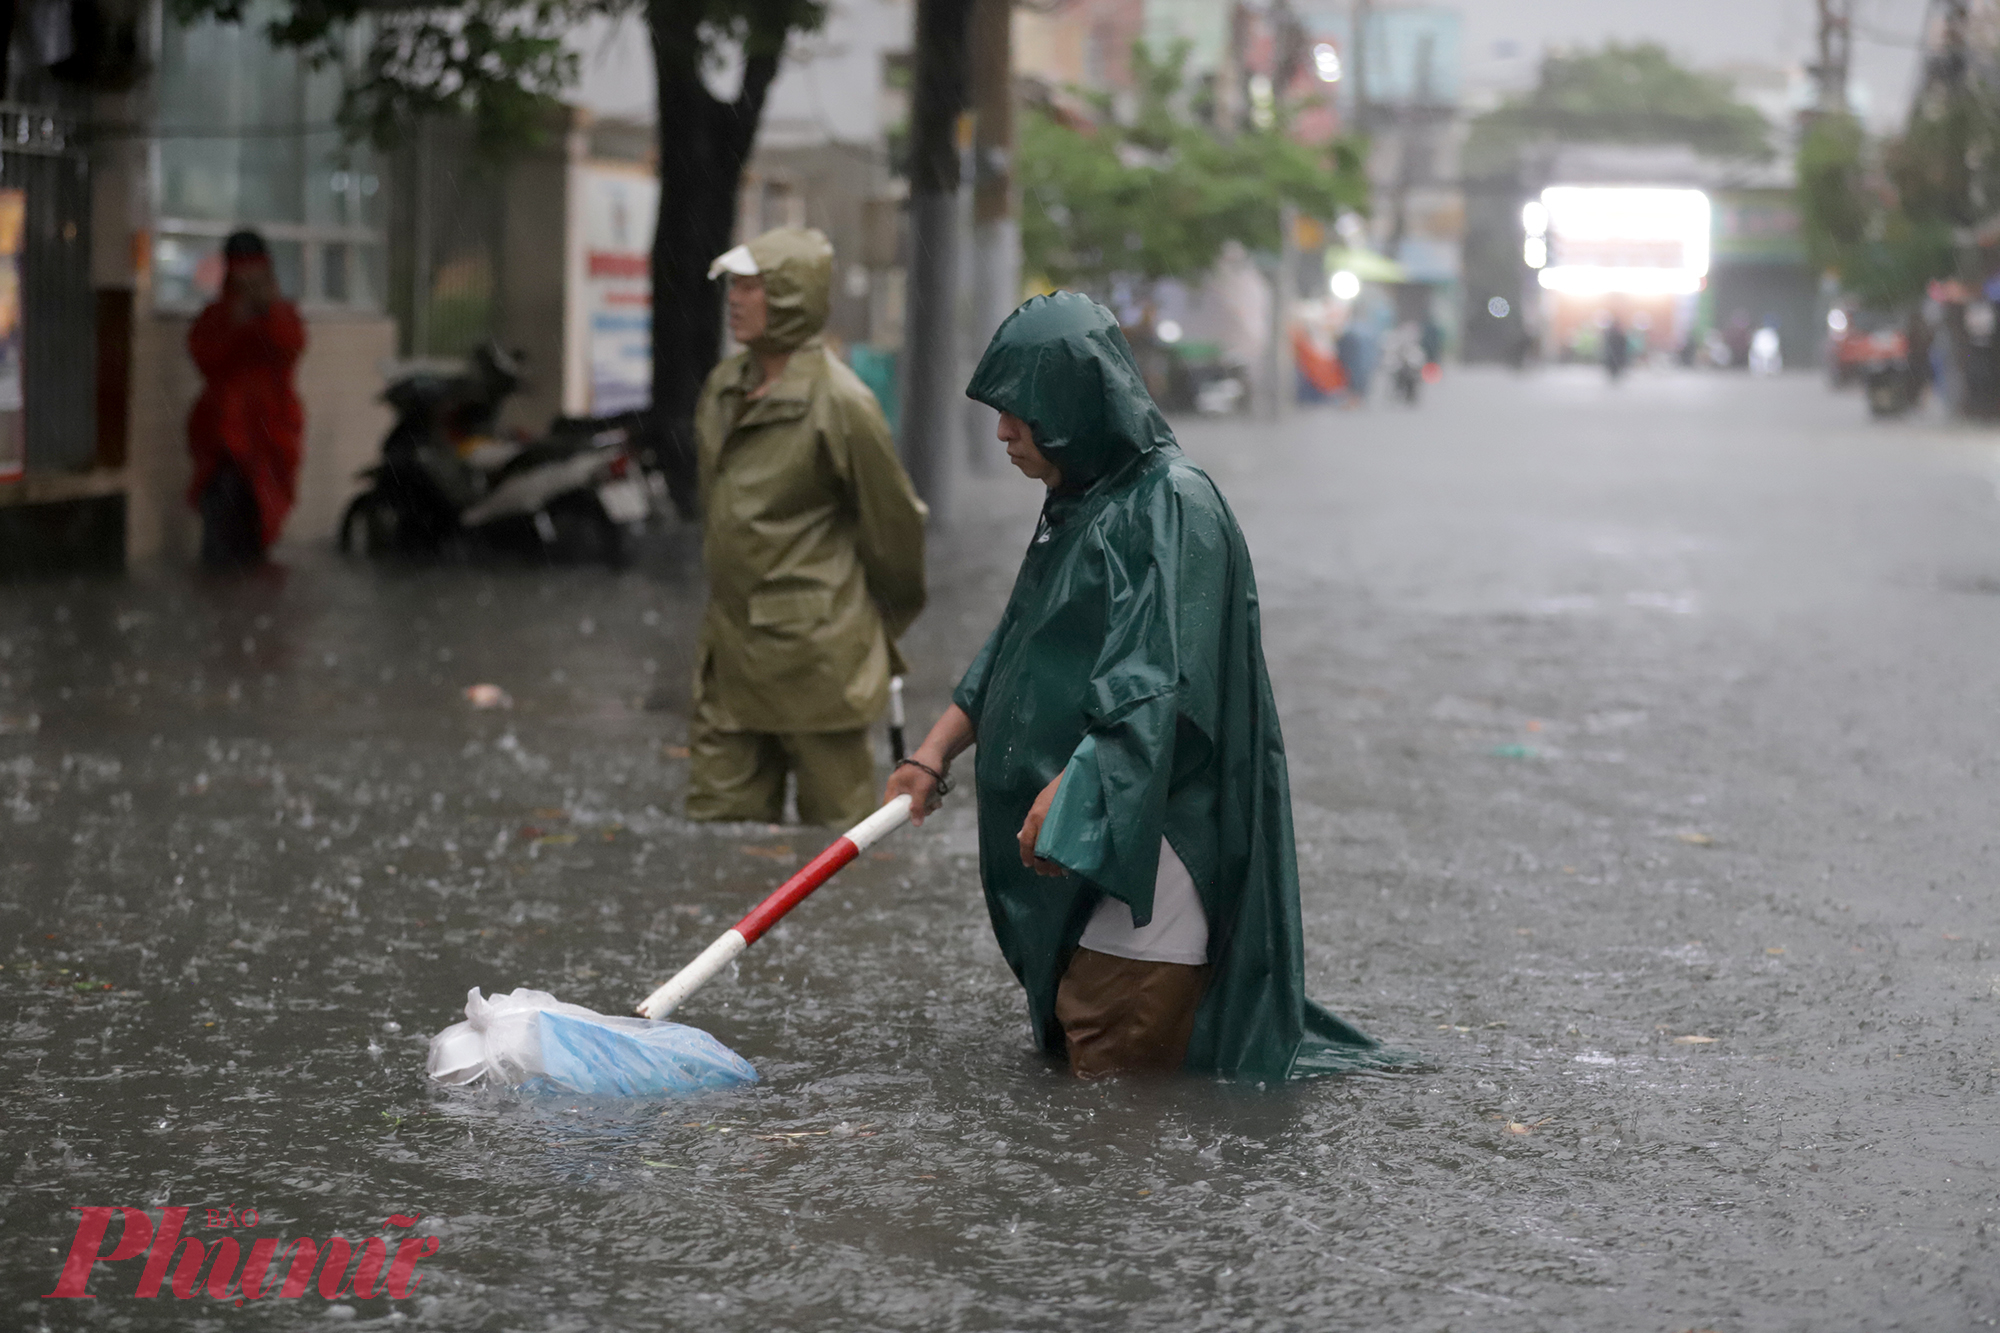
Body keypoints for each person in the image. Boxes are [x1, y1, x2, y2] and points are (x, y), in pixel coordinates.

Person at [884, 292, 1379, 1080]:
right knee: (1089, 1046)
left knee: (1110, 1065)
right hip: (1085, 836)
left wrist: (1078, 785)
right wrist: (934, 751)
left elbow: (1163, 682)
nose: (1003, 431)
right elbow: (1019, 639)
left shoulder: (1172, 505)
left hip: (1151, 847)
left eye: (1020, 411)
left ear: (1076, 407)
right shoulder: (1078, 499)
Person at [687, 227, 928, 826]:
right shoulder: (723, 387)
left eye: (751, 286)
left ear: (791, 295)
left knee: (837, 849)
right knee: (720, 835)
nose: (734, 300)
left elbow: (895, 533)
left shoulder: (843, 404)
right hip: (731, 658)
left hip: (821, 665)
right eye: (732, 286)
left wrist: (866, 633)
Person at [186, 231, 306, 566]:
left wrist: (268, 310)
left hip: (267, 436)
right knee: (223, 535)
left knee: (257, 526)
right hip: (224, 441)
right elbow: (206, 357)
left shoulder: (280, 315)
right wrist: (236, 324)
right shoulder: (217, 317)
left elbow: (290, 346)